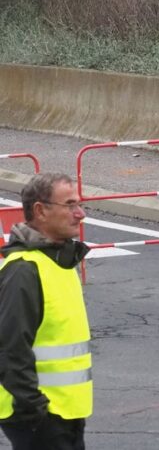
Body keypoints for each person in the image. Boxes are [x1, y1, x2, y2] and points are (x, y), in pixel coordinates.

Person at [0, 173, 91, 450]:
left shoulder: (60, 263)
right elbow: (10, 348)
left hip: (65, 412)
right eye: (70, 205)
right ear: (41, 210)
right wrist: (34, 410)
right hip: (40, 416)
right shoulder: (24, 270)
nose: (81, 213)